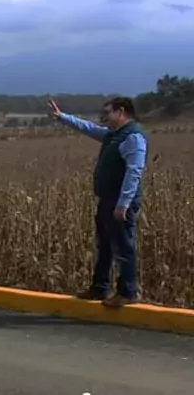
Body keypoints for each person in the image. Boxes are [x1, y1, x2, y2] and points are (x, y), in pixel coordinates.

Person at [48, 96, 148, 307]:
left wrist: (123, 204)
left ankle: (127, 292)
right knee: (104, 245)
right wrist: (62, 117)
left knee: (123, 247)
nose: (104, 117)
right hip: (107, 198)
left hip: (120, 201)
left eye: (108, 112)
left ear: (121, 112)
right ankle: (99, 288)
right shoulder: (113, 134)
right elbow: (89, 128)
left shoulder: (133, 138)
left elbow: (134, 172)